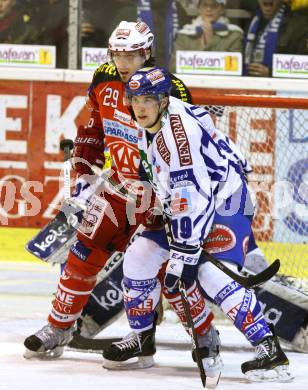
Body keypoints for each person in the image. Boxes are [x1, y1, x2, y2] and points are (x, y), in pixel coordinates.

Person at [23, 20, 215, 360]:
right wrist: (83, 170)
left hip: (160, 194)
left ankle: (202, 337)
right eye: (117, 54)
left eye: (131, 55)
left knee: (165, 272)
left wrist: (180, 198)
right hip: (119, 186)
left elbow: (189, 142)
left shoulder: (169, 87)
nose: (123, 63)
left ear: (147, 52)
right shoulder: (102, 78)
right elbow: (96, 125)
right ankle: (59, 327)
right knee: (82, 254)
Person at [102, 67, 293, 383]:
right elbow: (209, 128)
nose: (140, 106)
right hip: (191, 199)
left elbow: (196, 199)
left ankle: (269, 351)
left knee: (210, 273)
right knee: (138, 257)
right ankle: (142, 339)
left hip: (223, 202)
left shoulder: (178, 139)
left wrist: (184, 257)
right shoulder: (164, 115)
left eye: (148, 99)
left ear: (163, 100)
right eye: (135, 99)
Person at [169, 0, 243, 72]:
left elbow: (234, 68)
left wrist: (210, 42)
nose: (208, 9)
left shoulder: (234, 35)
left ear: (222, 9)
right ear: (199, 8)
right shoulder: (184, 35)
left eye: (214, 5)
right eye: (204, 5)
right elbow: (173, 67)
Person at [244, 0, 308, 77]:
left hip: (282, 86)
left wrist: (271, 73)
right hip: (249, 84)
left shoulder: (298, 25)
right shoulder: (252, 22)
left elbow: (304, 67)